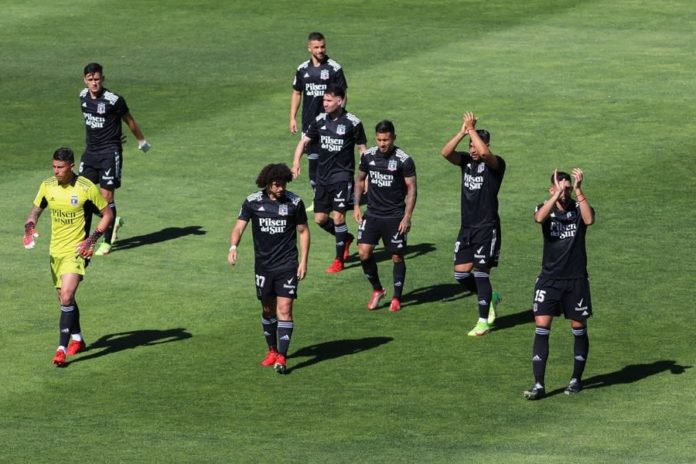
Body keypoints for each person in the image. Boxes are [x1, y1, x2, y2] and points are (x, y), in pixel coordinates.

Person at [23, 147, 113, 366]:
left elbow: (108, 214)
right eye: (54, 167)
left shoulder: (85, 188)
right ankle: (78, 339)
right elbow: (35, 210)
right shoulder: (47, 185)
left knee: (66, 296)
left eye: (60, 167)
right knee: (65, 299)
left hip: (77, 251)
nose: (56, 171)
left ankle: (60, 349)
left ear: (72, 166)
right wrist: (29, 226)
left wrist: (91, 240)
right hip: (56, 251)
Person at [228, 163, 310, 374]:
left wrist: (303, 261)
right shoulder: (252, 202)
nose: (281, 188)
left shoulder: (294, 202)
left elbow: (303, 231)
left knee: (285, 310)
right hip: (263, 267)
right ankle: (272, 350)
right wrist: (233, 246)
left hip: (287, 265)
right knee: (267, 310)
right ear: (267, 184)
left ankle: (282, 357)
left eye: (283, 183)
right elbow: (239, 226)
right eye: (276, 184)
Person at [523, 169, 595, 400]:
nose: (565, 190)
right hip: (549, 280)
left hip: (575, 281)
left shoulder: (577, 207)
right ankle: (539, 385)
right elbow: (538, 218)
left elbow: (589, 219)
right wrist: (556, 196)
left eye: (567, 186)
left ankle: (576, 379)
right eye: (560, 186)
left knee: (578, 327)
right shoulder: (544, 207)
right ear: (552, 189)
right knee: (542, 327)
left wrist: (578, 189)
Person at [441, 112, 504, 336]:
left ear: (486, 144)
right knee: (460, 274)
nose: (473, 149)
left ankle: (483, 321)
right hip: (466, 227)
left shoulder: (496, 165)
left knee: (480, 272)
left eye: (476, 145)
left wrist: (473, 132)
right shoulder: (466, 162)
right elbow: (445, 152)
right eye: (470, 145)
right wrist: (463, 131)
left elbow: (486, 154)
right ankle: (489, 298)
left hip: (487, 228)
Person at [292, 84, 366, 273]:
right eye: (323, 100)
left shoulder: (353, 122)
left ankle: (339, 260)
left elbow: (362, 150)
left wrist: (365, 177)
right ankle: (346, 238)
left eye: (328, 100)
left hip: (342, 176)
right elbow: (304, 141)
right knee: (319, 218)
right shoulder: (319, 120)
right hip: (322, 177)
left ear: (339, 101)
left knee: (338, 216)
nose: (323, 103)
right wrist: (296, 162)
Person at [79, 62, 150, 256]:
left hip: (109, 154)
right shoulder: (82, 96)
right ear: (85, 80)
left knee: (107, 197)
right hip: (90, 153)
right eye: (90, 79)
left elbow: (129, 120)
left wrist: (141, 141)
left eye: (97, 79)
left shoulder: (114, 100)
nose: (94, 83)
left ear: (103, 78)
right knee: (82, 194)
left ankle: (107, 241)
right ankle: (93, 233)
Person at [353, 120, 417, 312]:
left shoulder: (404, 160)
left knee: (397, 256)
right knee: (364, 252)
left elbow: (412, 189)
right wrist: (356, 206)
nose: (383, 144)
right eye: (380, 139)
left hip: (395, 216)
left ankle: (397, 297)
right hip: (372, 214)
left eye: (386, 140)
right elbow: (359, 180)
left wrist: (407, 217)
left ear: (394, 138)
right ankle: (377, 290)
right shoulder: (368, 156)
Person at [290, 32, 348, 212]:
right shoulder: (302, 70)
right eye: (316, 47)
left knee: (331, 161)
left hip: (330, 124)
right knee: (313, 162)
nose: (320, 50)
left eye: (322, 46)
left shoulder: (334, 68)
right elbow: (297, 93)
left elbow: (343, 94)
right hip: (309, 124)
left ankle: (337, 195)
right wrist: (292, 117)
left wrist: (339, 117)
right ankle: (318, 198)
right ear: (309, 48)